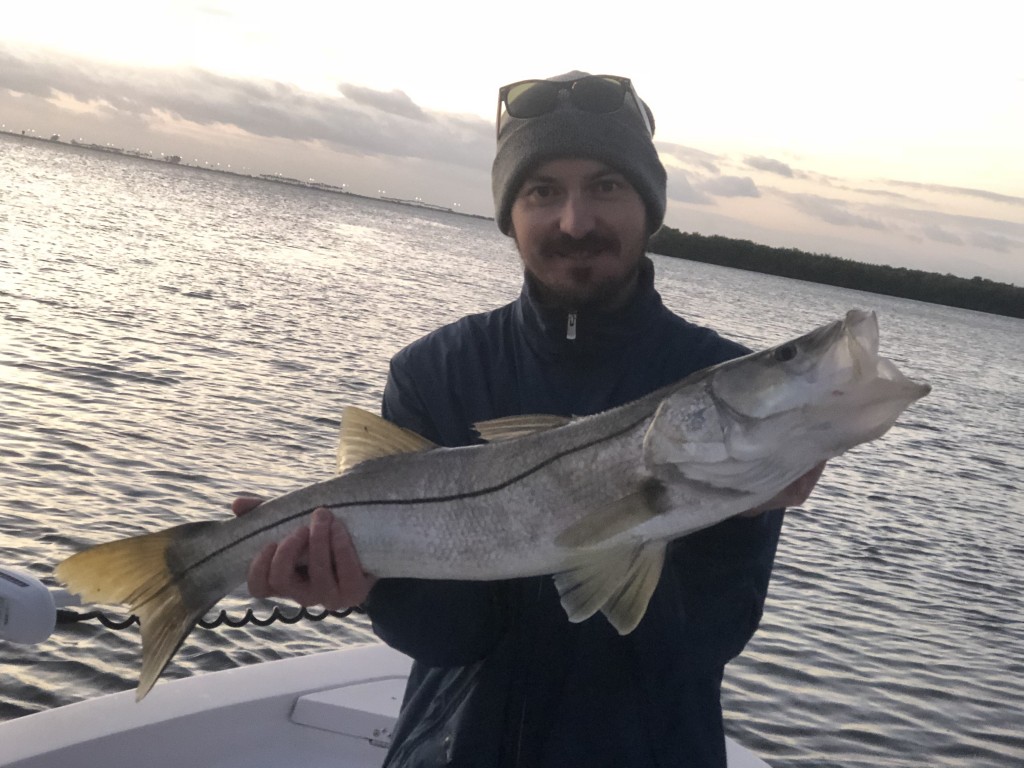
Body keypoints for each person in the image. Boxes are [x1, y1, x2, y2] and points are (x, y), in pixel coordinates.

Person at [234, 71, 824, 767]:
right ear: (510, 213)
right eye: (542, 191)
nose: (575, 222)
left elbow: (701, 644)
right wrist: (367, 589)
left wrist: (739, 515)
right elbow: (456, 640)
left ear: (649, 204)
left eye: (606, 185)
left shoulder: (723, 389)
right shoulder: (436, 370)